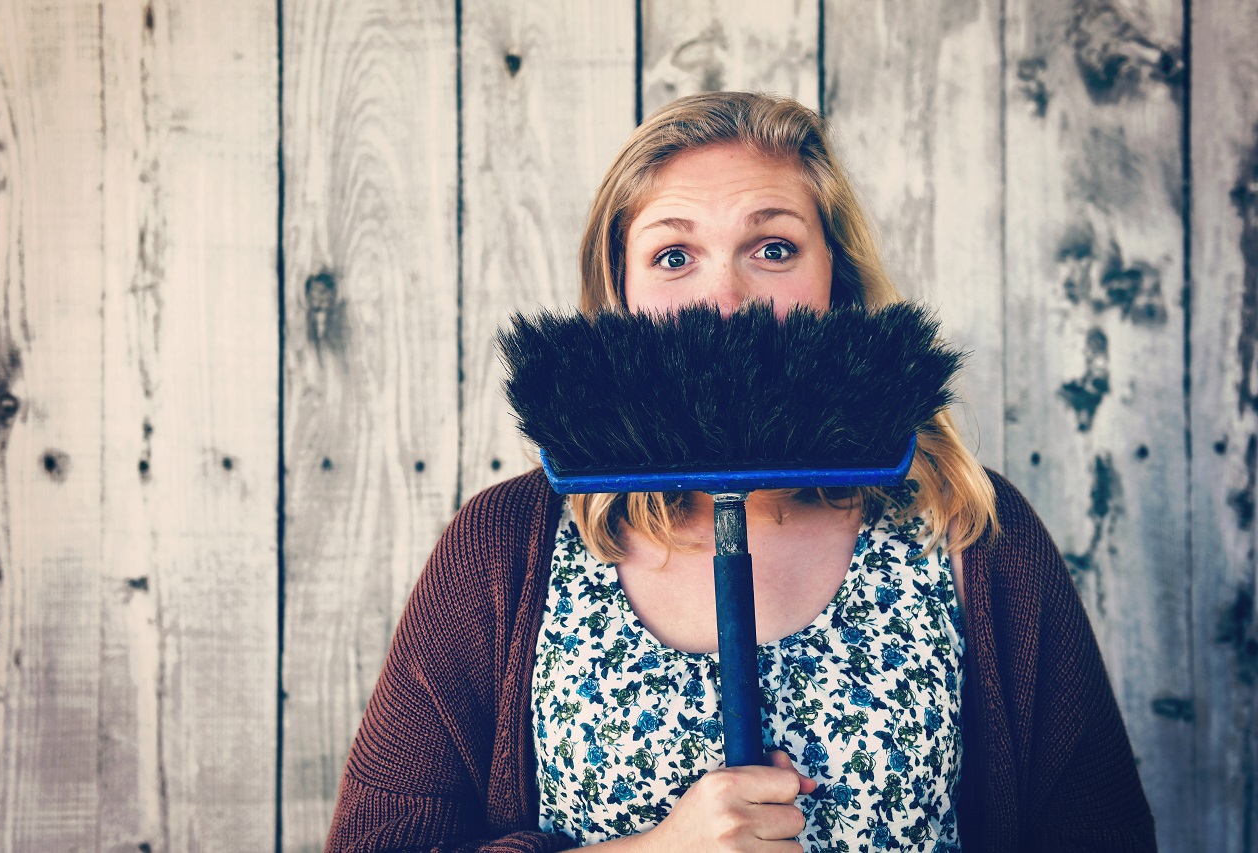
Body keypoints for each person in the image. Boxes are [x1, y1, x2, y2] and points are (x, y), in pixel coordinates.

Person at [324, 91, 1156, 852]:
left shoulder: (968, 530)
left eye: (773, 246)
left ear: (838, 280)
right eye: (674, 256)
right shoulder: (506, 545)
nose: (726, 297)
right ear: (620, 291)